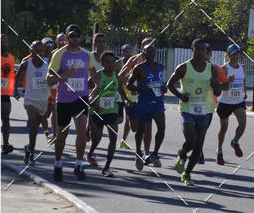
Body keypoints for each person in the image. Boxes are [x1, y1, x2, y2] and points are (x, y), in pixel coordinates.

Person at [167, 38, 222, 186]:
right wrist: (180, 96)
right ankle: (182, 153)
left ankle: (187, 174)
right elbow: (170, 84)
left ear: (205, 51)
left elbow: (218, 89)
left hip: (204, 110)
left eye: (202, 49)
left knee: (199, 146)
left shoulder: (211, 69)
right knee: (191, 140)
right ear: (192, 50)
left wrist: (215, 86)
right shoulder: (183, 67)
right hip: (187, 109)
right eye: (197, 49)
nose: (200, 52)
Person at [46, 24, 96, 182]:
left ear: (81, 37)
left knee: (82, 131)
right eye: (72, 36)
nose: (75, 38)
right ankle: (58, 164)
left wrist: (99, 87)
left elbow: (94, 73)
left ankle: (79, 165)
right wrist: (65, 75)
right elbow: (49, 79)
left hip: (81, 98)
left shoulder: (87, 55)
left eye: (77, 35)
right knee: (62, 135)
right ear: (66, 37)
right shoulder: (59, 55)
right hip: (64, 100)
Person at [128, 39, 166, 169]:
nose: (151, 54)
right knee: (141, 131)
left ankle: (154, 153)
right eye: (147, 51)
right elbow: (129, 84)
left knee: (162, 128)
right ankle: (138, 152)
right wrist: (140, 89)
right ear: (143, 53)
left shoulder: (160, 66)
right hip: (144, 104)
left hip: (158, 103)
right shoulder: (139, 68)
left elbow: (162, 82)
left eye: (153, 51)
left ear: (155, 53)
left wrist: (164, 88)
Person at [87, 50, 124, 176]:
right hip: (96, 112)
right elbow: (84, 92)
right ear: (102, 63)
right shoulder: (97, 76)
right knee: (96, 138)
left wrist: (122, 108)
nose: (110, 64)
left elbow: (119, 93)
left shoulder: (116, 77)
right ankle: (91, 152)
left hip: (111, 111)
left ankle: (107, 167)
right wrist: (93, 104)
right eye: (107, 62)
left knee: (113, 138)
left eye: (113, 61)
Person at [14, 40, 49, 165]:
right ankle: (32, 154)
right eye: (35, 50)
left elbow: (54, 76)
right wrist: (15, 90)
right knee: (33, 125)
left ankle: (29, 149)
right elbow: (17, 75)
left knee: (36, 127)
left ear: (43, 51)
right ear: (31, 51)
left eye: (40, 50)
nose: (38, 52)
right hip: (30, 99)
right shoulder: (26, 63)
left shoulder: (48, 63)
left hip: (43, 99)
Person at [216, 44, 247, 165]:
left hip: (238, 101)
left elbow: (243, 80)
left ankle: (235, 141)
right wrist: (228, 80)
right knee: (224, 128)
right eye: (233, 54)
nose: (236, 56)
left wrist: (245, 91)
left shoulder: (242, 67)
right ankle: (219, 150)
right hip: (225, 102)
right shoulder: (224, 69)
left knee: (243, 123)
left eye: (237, 54)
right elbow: (218, 86)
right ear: (228, 55)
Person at [200, 44, 228, 164]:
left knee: (202, 130)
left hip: (209, 105)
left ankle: (198, 151)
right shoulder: (190, 67)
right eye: (201, 52)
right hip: (192, 104)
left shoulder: (216, 68)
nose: (203, 56)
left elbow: (226, 85)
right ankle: (196, 151)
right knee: (193, 131)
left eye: (206, 53)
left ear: (210, 54)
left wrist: (216, 86)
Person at [0, 34, 16, 155]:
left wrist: (14, 89)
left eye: (5, 41)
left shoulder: (11, 58)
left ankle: (5, 144)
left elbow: (11, 76)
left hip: (5, 93)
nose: (4, 43)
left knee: (6, 118)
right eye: (1, 41)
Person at [40, 37, 55, 141]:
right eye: (46, 45)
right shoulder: (39, 59)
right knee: (44, 115)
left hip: (55, 90)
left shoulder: (56, 58)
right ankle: (47, 134)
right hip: (43, 91)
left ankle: (55, 134)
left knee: (55, 114)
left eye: (51, 44)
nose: (49, 47)